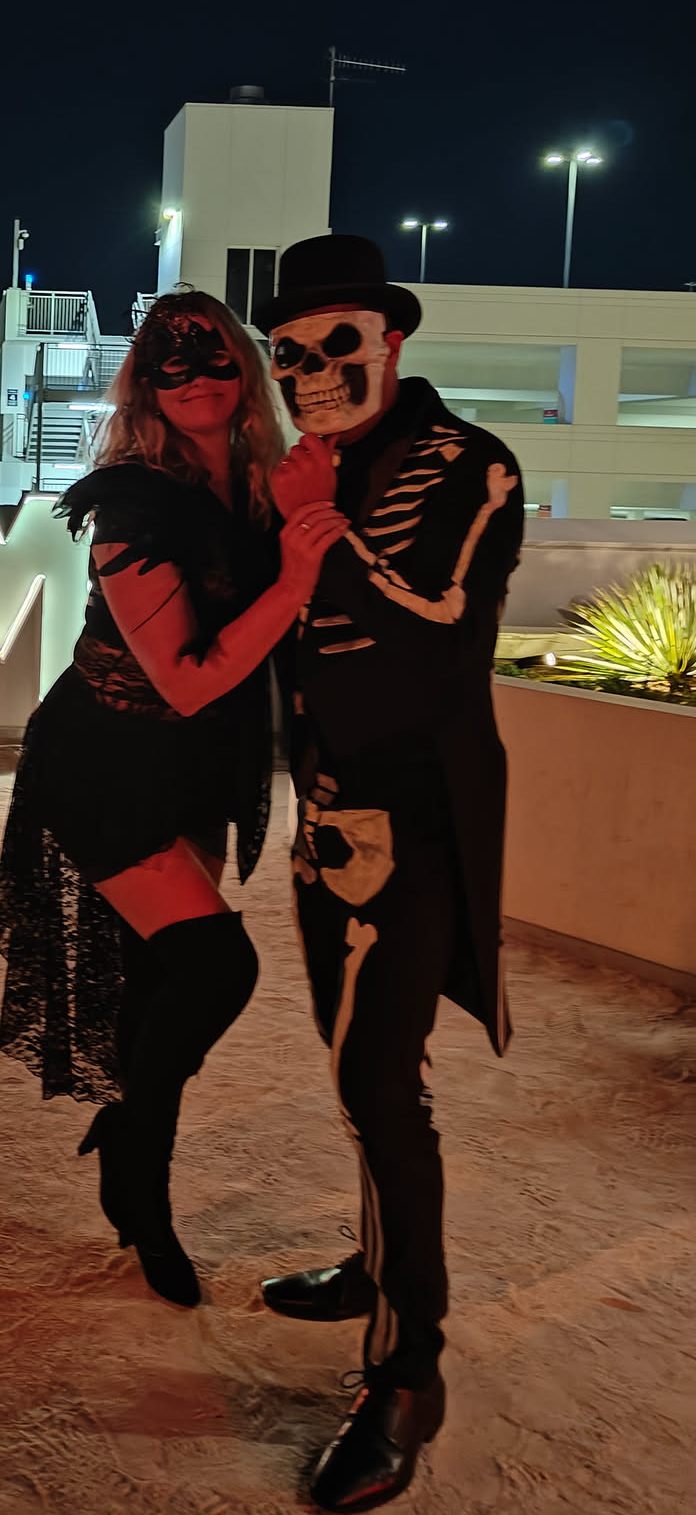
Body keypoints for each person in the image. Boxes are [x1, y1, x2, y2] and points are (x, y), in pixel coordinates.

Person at [0, 289, 348, 1307]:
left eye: (213, 358)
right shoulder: (131, 506)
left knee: (158, 990)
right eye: (169, 365)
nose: (194, 379)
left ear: (246, 370)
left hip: (195, 763)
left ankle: (131, 1156)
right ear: (144, 386)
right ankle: (136, 1161)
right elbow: (186, 678)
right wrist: (294, 575)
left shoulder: (258, 482)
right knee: (216, 964)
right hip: (105, 759)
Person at [251, 235, 525, 1512]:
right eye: (289, 353)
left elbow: (440, 634)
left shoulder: (469, 464)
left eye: (336, 344)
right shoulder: (315, 468)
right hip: (325, 820)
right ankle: (373, 1266)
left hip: (414, 826)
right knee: (358, 1067)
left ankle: (409, 1374)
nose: (310, 370)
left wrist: (315, 524)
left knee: (381, 1082)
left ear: (391, 342)